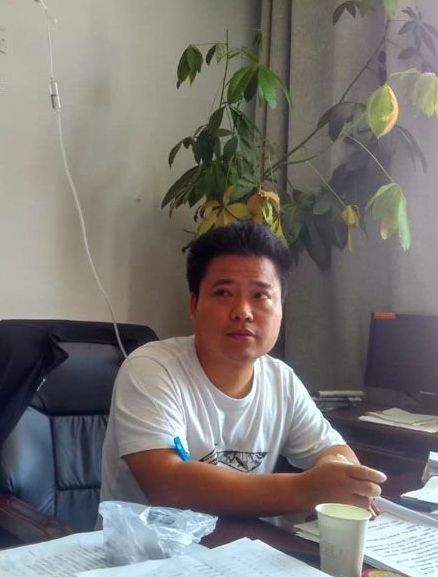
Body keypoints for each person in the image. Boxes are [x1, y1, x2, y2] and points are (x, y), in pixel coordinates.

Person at [100, 221, 385, 518]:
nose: (242, 312)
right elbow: (167, 485)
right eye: (224, 293)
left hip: (245, 544)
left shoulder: (281, 380)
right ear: (194, 305)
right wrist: (306, 490)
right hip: (146, 546)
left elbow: (334, 451)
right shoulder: (151, 368)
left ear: (281, 309)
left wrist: (335, 473)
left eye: (260, 296)